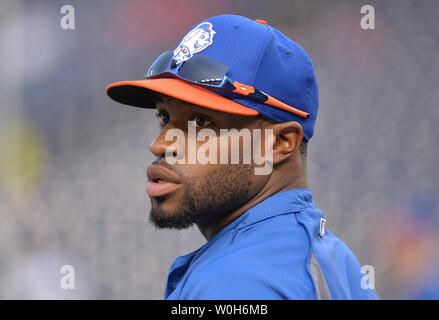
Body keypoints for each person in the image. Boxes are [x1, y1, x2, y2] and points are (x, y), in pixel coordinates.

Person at [106, 14, 377, 300]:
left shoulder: (235, 282)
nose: (161, 144)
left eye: (200, 122)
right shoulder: (332, 257)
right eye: (164, 116)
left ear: (280, 143)